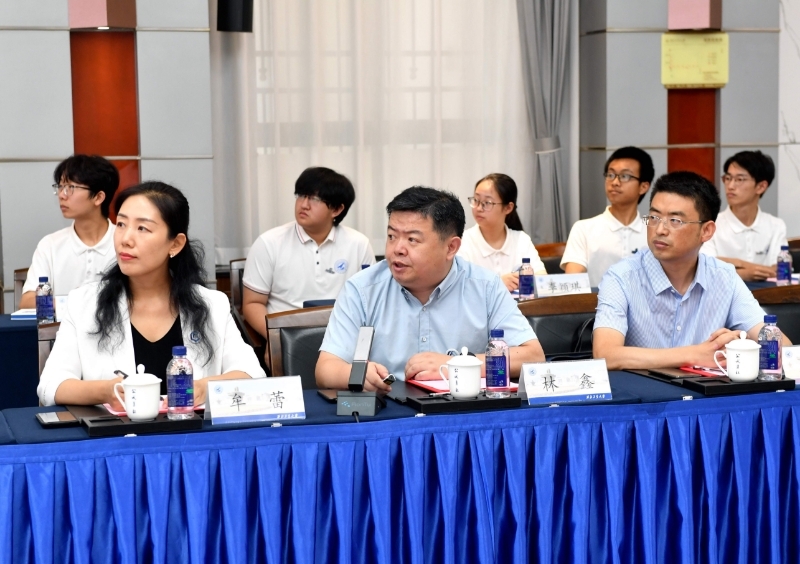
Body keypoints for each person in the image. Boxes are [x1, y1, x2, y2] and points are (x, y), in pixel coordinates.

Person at [37, 181, 266, 407]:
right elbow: (50, 385)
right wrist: (106, 392)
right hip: (115, 431)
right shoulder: (84, 303)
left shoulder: (212, 304)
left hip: (191, 430)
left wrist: (204, 388)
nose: (125, 239)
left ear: (175, 244)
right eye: (121, 224)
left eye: (142, 228)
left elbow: (252, 375)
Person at [315, 186, 545, 392]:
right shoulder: (362, 289)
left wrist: (457, 364)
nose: (397, 249)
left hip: (463, 413)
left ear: (451, 247)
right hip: (389, 411)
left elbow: (533, 355)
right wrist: (356, 374)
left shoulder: (485, 287)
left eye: (412, 240)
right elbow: (325, 369)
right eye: (392, 236)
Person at [593, 171, 791, 371]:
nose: (660, 230)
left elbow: (781, 346)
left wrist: (741, 346)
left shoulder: (724, 277)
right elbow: (605, 355)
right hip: (644, 390)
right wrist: (694, 355)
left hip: (706, 390)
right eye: (654, 217)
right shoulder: (621, 277)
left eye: (675, 221)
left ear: (706, 231)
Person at [242, 167, 375, 335]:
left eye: (314, 199)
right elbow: (252, 303)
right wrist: (276, 341)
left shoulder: (359, 244)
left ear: (336, 209)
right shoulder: (269, 243)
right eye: (301, 195)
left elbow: (370, 302)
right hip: (287, 336)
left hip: (343, 336)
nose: (304, 204)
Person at [20, 155, 120, 309]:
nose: (61, 195)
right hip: (62, 326)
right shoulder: (50, 245)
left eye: (70, 188)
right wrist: (75, 302)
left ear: (98, 197)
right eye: (60, 187)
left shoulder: (124, 242)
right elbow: (27, 302)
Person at [561, 146, 655, 287]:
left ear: (643, 186)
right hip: (596, 301)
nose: (615, 182)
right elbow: (572, 283)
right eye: (610, 175)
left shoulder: (655, 231)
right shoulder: (583, 229)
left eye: (624, 176)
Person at [700, 151, 787, 281]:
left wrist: (729, 265)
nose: (730, 186)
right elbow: (705, 267)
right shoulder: (711, 224)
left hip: (767, 293)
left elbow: (779, 270)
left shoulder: (776, 225)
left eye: (739, 179)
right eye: (728, 178)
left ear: (761, 186)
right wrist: (744, 272)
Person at [457, 173, 546, 291]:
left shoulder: (521, 240)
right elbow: (459, 288)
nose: (478, 208)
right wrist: (497, 284)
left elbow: (542, 280)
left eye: (487, 203)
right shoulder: (463, 241)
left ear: (508, 208)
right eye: (476, 200)